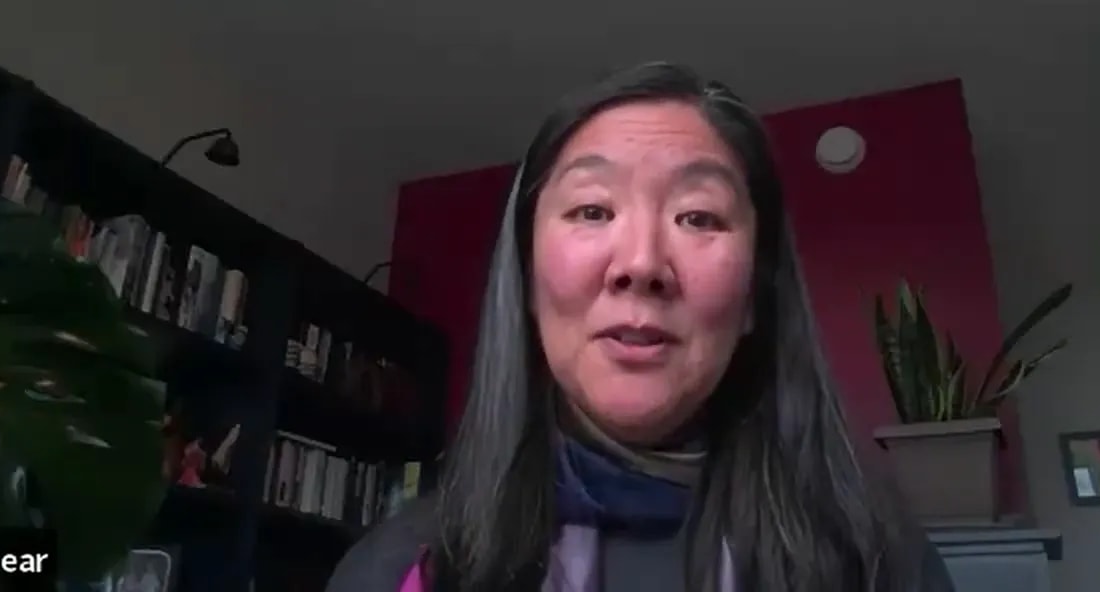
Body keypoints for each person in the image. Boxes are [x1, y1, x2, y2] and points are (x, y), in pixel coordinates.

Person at [326, 62, 955, 592]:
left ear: (755, 298)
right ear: (526, 281)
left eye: (698, 217)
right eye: (592, 209)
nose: (641, 263)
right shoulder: (403, 570)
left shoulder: (876, 560)